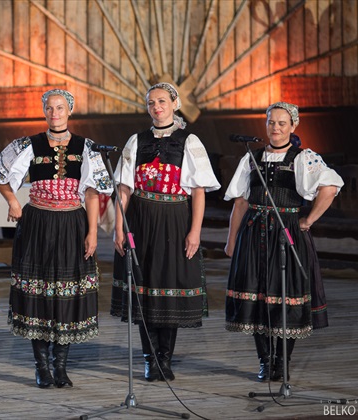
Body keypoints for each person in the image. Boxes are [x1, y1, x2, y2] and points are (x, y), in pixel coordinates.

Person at [0, 89, 112, 388]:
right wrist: (13, 202)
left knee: (66, 292)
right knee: (41, 291)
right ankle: (41, 367)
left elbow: (92, 192)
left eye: (60, 108)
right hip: (38, 223)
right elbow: (0, 173)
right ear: (44, 111)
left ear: (69, 111)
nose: (54, 112)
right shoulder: (28, 144)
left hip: (72, 222)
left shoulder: (87, 147)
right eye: (49, 108)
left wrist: (93, 232)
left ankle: (61, 366)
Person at [224, 102, 343, 381]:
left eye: (281, 123)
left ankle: (283, 362)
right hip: (253, 233)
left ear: (292, 126)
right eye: (271, 122)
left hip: (286, 232)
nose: (275, 128)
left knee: (285, 295)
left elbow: (331, 186)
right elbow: (240, 202)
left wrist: (308, 220)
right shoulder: (251, 157)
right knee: (256, 295)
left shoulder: (303, 158)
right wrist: (231, 241)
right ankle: (265, 361)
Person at [110, 83, 220, 382]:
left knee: (168, 288)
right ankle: (149, 359)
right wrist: (119, 228)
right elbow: (123, 189)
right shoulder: (137, 140)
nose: (156, 106)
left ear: (174, 103)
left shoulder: (189, 140)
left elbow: (198, 191)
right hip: (141, 219)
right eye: (151, 102)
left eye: (161, 101)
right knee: (145, 289)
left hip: (175, 219)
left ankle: (164, 358)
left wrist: (195, 232)